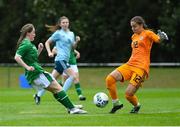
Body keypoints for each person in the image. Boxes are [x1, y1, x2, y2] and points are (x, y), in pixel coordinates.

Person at [14, 23, 87, 114]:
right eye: (33, 32)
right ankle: (72, 109)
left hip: (36, 72)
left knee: (55, 90)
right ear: (28, 33)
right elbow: (17, 57)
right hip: (37, 73)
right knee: (58, 89)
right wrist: (27, 67)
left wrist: (39, 50)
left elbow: (32, 59)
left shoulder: (29, 44)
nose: (34, 34)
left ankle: (70, 106)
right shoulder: (26, 44)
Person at [105, 16, 168, 114]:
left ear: (141, 25)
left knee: (128, 94)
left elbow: (157, 39)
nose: (133, 28)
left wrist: (161, 38)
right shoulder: (133, 36)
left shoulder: (148, 33)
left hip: (141, 68)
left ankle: (136, 106)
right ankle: (116, 103)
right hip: (130, 64)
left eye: (135, 26)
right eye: (131, 27)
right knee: (109, 79)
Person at [44, 16, 86, 101]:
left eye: (67, 22)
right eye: (63, 22)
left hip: (65, 60)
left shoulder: (71, 34)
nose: (65, 24)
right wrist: (49, 52)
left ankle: (40, 92)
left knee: (51, 80)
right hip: (61, 59)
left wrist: (76, 42)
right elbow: (47, 42)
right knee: (73, 76)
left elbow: (72, 48)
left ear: (69, 23)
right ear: (60, 24)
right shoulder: (58, 33)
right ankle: (61, 94)